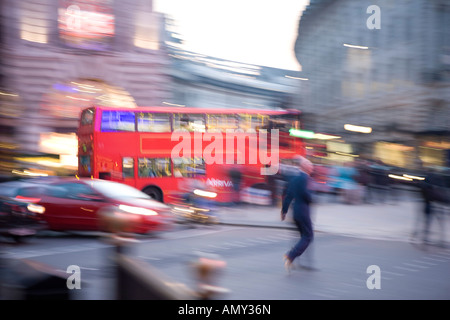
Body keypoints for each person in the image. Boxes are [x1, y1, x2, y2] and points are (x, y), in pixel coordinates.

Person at [281, 156, 314, 272]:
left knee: (302, 237)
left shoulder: (294, 179)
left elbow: (288, 195)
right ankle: (291, 255)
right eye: (311, 167)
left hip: (295, 212)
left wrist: (284, 211)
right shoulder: (306, 179)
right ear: (305, 167)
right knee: (308, 236)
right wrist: (311, 199)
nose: (312, 169)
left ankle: (292, 260)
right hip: (303, 211)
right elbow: (306, 194)